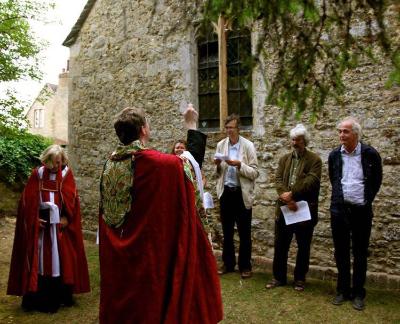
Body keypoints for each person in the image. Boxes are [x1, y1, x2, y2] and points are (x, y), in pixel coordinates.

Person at [98, 105, 222, 323]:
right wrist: (191, 125)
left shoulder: (109, 164)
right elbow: (188, 168)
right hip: (146, 252)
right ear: (143, 130)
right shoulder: (155, 163)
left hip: (120, 254)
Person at [7, 145, 90, 313]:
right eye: (52, 163)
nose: (55, 166)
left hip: (59, 230)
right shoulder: (37, 174)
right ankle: (37, 299)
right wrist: (33, 219)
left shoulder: (66, 174)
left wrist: (67, 217)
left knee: (60, 260)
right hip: (41, 229)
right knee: (41, 261)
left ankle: (61, 297)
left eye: (58, 162)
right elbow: (26, 201)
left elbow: (72, 199)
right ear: (46, 160)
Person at [329, 117, 382, 311]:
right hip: (339, 211)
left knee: (360, 253)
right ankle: (342, 290)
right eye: (340, 131)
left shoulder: (370, 154)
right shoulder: (334, 155)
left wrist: (365, 199)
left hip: (361, 210)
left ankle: (358, 293)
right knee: (341, 251)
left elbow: (376, 181)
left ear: (356, 134)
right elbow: (334, 179)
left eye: (346, 131)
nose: (341, 135)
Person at [265, 124, 322, 291]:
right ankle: (279, 277)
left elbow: (311, 181)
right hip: (285, 208)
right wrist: (285, 196)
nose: (294, 142)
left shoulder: (315, 160)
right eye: (292, 139)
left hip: (303, 209)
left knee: (303, 246)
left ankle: (300, 279)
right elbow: (278, 180)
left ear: (305, 141)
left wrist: (292, 195)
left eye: (297, 140)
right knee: (280, 244)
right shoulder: (284, 159)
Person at [214, 114, 259, 279]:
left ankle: (245, 266)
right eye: (226, 128)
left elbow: (255, 172)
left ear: (238, 128)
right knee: (227, 231)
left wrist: (240, 165)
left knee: (244, 232)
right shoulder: (221, 145)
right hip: (226, 192)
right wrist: (218, 166)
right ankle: (228, 263)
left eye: (231, 128)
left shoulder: (248, 146)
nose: (228, 131)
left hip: (241, 194)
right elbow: (217, 174)